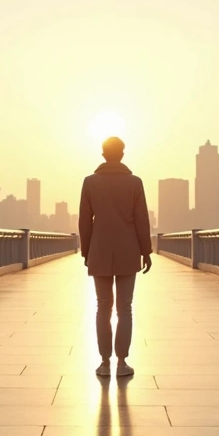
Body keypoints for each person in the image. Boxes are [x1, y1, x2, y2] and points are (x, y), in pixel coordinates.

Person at [79, 136, 152, 377]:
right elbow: (142, 219)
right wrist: (146, 252)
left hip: (99, 250)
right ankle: (122, 363)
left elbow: (84, 222)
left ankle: (103, 362)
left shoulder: (90, 182)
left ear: (102, 154)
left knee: (103, 307)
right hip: (128, 250)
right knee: (125, 307)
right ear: (122, 154)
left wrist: (87, 251)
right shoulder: (135, 182)